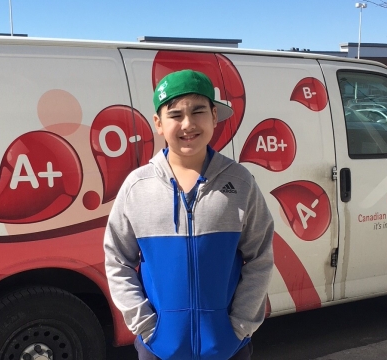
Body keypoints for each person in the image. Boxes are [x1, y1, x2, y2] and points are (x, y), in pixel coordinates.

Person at [104, 69, 274, 360]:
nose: (188, 124)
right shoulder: (137, 188)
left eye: (198, 111)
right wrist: (146, 326)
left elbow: (259, 257)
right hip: (159, 348)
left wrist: (240, 325)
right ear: (158, 123)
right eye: (175, 115)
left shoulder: (240, 182)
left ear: (214, 117)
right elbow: (117, 260)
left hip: (228, 347)